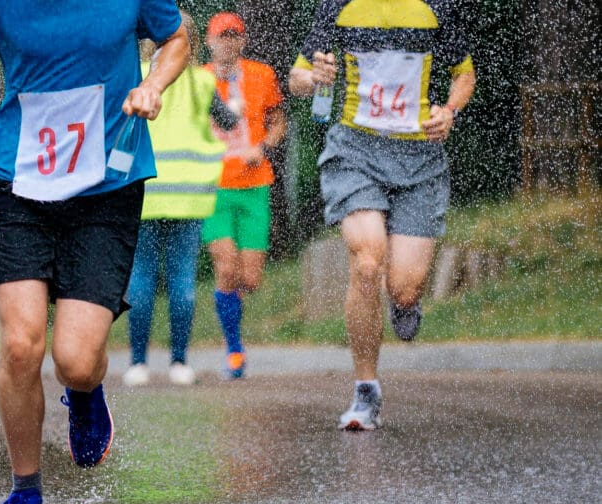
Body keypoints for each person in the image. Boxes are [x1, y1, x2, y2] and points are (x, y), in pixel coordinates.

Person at [0, 0, 189, 504]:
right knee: (21, 345)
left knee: (76, 360)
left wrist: (153, 84)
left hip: (107, 182)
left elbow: (178, 38)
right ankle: (25, 492)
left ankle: (86, 391)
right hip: (17, 180)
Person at [288, 0, 475, 429]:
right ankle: (365, 390)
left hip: (420, 160)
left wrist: (448, 111)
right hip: (355, 152)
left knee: (405, 289)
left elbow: (464, 74)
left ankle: (406, 303)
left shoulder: (436, 7)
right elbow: (297, 79)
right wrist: (313, 76)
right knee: (367, 262)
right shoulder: (338, 6)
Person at [123, 12, 234, 387]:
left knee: (141, 279)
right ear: (194, 42)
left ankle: (138, 363)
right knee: (182, 278)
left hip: (144, 193)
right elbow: (231, 122)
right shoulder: (203, 81)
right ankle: (179, 362)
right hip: (189, 196)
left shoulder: (135, 73)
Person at [202, 12, 287, 380]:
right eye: (222, 36)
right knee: (226, 269)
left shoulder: (261, 75)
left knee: (250, 279)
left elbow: (279, 120)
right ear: (209, 42)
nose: (228, 42)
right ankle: (234, 350)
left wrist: (264, 146)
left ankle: (234, 325)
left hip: (254, 183)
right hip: (214, 187)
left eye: (234, 35)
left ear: (244, 40)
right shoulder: (198, 80)